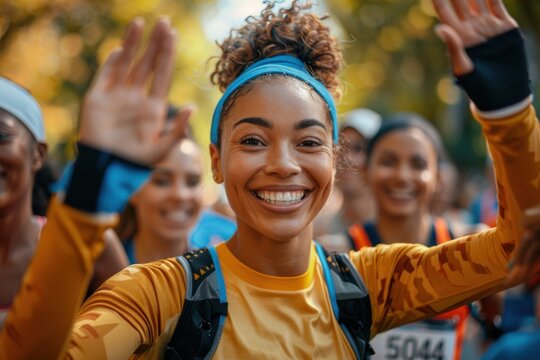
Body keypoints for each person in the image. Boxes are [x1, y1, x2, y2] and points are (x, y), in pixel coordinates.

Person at [2, 0, 540, 358]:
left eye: (308, 142)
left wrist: (511, 117)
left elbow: (519, 248)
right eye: (253, 141)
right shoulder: (158, 294)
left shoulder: (375, 283)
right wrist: (87, 196)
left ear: (334, 161)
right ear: (216, 160)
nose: (283, 164)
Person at [114, 115, 204, 264]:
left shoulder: (219, 279)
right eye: (162, 181)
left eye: (192, 182)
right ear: (132, 190)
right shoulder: (95, 271)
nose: (180, 195)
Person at [315, 108, 381, 237]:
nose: (346, 158)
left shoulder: (396, 232)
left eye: (359, 148)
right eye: (341, 147)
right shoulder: (318, 233)